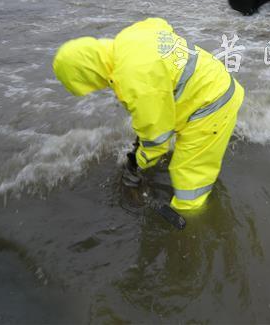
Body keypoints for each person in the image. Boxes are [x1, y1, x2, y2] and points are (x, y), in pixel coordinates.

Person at [52, 18, 244, 212]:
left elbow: (157, 137)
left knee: (189, 178)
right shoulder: (128, 38)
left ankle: (193, 222)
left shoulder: (133, 78)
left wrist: (138, 160)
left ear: (88, 74)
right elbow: (159, 24)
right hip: (211, 79)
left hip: (212, 105)